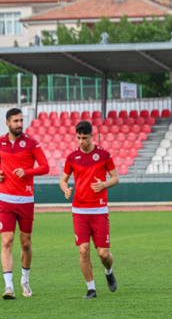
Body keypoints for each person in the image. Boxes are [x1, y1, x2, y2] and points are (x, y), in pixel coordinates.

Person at [59, 121, 119, 299]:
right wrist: (66, 189)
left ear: (91, 136)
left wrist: (104, 184)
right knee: (83, 250)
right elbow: (63, 180)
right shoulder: (71, 157)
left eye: (84, 138)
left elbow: (116, 177)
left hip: (99, 210)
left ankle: (108, 271)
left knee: (104, 254)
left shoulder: (103, 155)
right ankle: (91, 289)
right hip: (79, 210)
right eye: (78, 138)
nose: (81, 142)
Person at [0, 108, 49, 299]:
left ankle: (24, 281)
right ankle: (9, 287)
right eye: (15, 121)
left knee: (26, 244)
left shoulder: (31, 143)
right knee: (6, 241)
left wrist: (27, 172)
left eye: (21, 121)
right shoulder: (1, 143)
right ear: (7, 123)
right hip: (5, 201)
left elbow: (46, 167)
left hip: (26, 201)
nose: (19, 124)